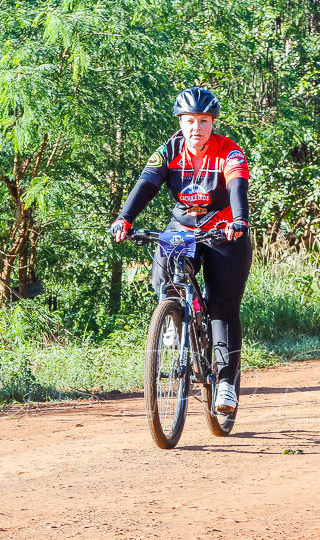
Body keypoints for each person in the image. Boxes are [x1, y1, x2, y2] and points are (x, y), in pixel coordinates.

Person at [109, 87, 250, 413]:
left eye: (203, 121)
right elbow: (146, 183)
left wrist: (240, 220)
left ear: (212, 123)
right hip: (183, 228)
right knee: (163, 278)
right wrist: (124, 219)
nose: (196, 128)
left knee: (223, 306)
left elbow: (237, 185)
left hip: (224, 230)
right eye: (190, 121)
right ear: (181, 122)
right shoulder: (169, 150)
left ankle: (226, 383)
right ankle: (174, 317)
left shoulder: (230, 152)